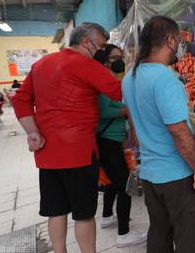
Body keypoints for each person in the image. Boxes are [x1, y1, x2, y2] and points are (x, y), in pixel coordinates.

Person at [12, 23, 122, 253]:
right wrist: (115, 68)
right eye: (101, 45)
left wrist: (32, 131)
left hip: (48, 154)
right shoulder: (86, 65)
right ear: (86, 42)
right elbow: (118, 92)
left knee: (56, 211)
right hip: (79, 152)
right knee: (84, 215)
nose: (102, 50)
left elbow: (21, 99)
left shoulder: (41, 64)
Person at [122, 16, 195, 253]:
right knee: (190, 239)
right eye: (178, 40)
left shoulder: (130, 77)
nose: (179, 46)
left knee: (159, 232)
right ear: (170, 40)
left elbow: (134, 125)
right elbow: (178, 131)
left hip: (150, 173)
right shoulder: (166, 79)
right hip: (176, 175)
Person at [96, 44, 146, 247]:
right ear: (105, 60)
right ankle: (124, 233)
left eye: (121, 56)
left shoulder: (108, 80)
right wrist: (126, 110)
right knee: (124, 185)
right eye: (115, 57)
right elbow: (103, 111)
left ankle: (107, 216)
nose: (119, 60)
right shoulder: (100, 81)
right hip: (107, 139)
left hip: (111, 139)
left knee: (112, 181)